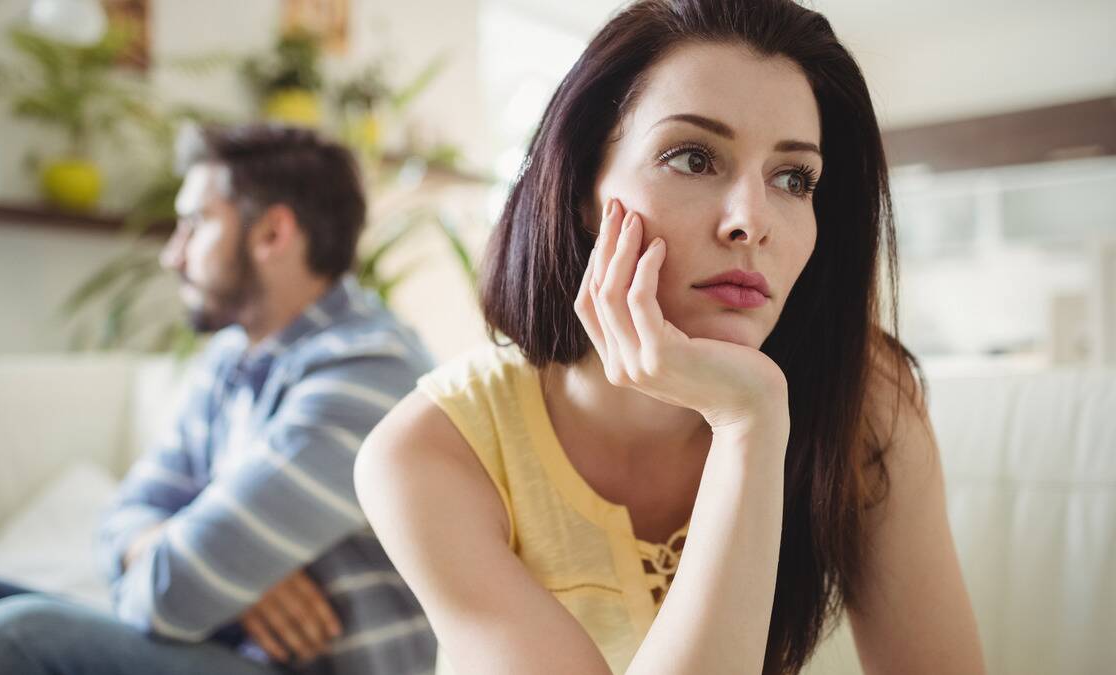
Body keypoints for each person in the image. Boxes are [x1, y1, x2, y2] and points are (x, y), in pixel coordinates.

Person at [353, 1, 987, 673]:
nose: (751, 219)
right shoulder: (428, 453)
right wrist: (750, 420)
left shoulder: (868, 401)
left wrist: (756, 413)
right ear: (583, 191)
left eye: (793, 178)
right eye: (693, 158)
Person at [0, 124, 437, 675]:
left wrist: (207, 571)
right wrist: (233, 575)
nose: (172, 254)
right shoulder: (233, 357)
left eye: (195, 223)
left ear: (273, 234)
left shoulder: (367, 372)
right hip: (220, 652)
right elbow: (123, 516)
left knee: (4, 642)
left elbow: (171, 595)